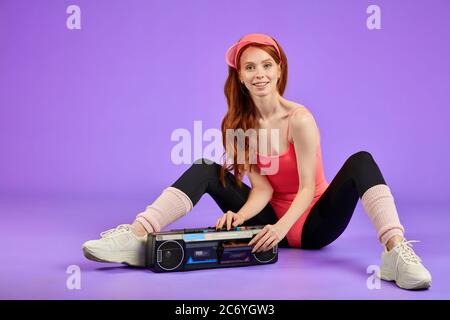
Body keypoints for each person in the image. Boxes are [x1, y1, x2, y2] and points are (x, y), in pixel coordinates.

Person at [82, 33, 432, 290]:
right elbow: (262, 188)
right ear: (240, 76)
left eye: (267, 65)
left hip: (314, 222)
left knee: (361, 160)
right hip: (268, 224)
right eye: (250, 67)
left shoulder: (301, 119)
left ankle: (395, 252)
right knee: (206, 166)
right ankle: (136, 234)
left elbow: (308, 187)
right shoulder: (240, 125)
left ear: (280, 71)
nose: (259, 73)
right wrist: (243, 215)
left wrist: (280, 231)